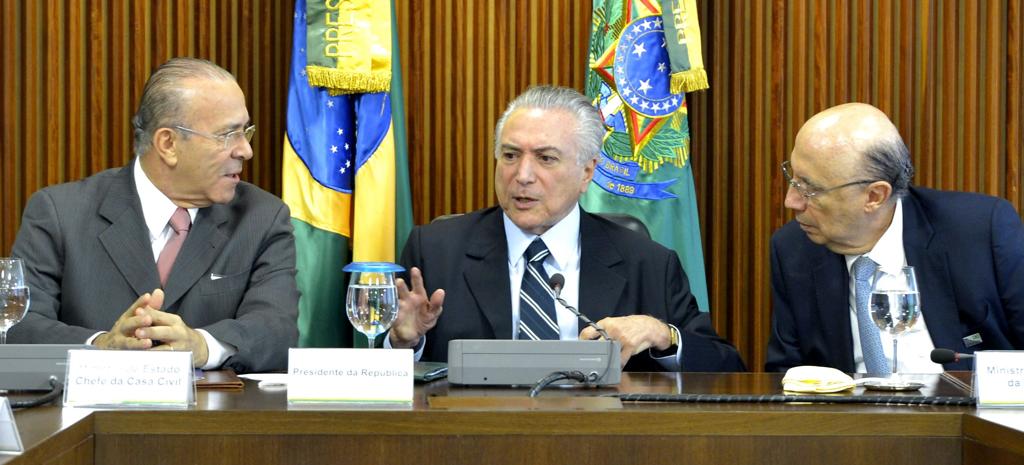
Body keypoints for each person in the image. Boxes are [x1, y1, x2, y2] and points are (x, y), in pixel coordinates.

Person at [385, 85, 745, 372]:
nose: (522, 176)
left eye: (546, 158)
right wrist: (404, 344)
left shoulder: (646, 263)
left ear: (587, 172)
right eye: (510, 156)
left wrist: (663, 335)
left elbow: (726, 369)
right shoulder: (434, 252)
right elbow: (386, 383)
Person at [8, 57, 299, 373]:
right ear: (168, 144)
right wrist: (101, 346)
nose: (245, 150)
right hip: (92, 417)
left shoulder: (262, 217)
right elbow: (18, 327)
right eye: (228, 135)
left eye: (246, 132)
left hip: (212, 419)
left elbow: (277, 330)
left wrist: (202, 346)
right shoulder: (59, 213)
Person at [766, 103, 1024, 373]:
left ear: (875, 196)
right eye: (793, 179)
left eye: (811, 190)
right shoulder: (793, 250)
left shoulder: (978, 231)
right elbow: (787, 374)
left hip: (966, 410)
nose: (791, 201)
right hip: (853, 414)